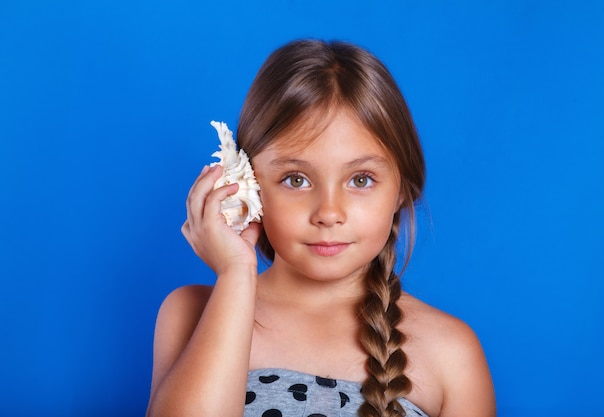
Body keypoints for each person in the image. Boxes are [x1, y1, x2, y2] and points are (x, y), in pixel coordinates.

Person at [145, 39, 495, 417]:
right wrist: (235, 274)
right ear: (246, 181)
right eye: (296, 180)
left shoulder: (452, 354)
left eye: (361, 180)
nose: (329, 213)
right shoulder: (192, 314)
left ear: (401, 192)